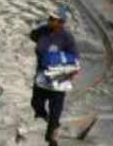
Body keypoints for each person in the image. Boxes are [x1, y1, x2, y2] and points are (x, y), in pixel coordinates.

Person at [27, 8, 80, 144]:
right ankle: (47, 119)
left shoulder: (67, 37)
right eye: (49, 18)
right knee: (36, 103)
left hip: (59, 80)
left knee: (55, 112)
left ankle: (53, 135)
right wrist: (36, 26)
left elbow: (75, 57)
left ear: (61, 23)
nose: (50, 21)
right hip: (42, 76)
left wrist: (73, 71)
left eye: (53, 20)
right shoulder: (42, 32)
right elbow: (31, 35)